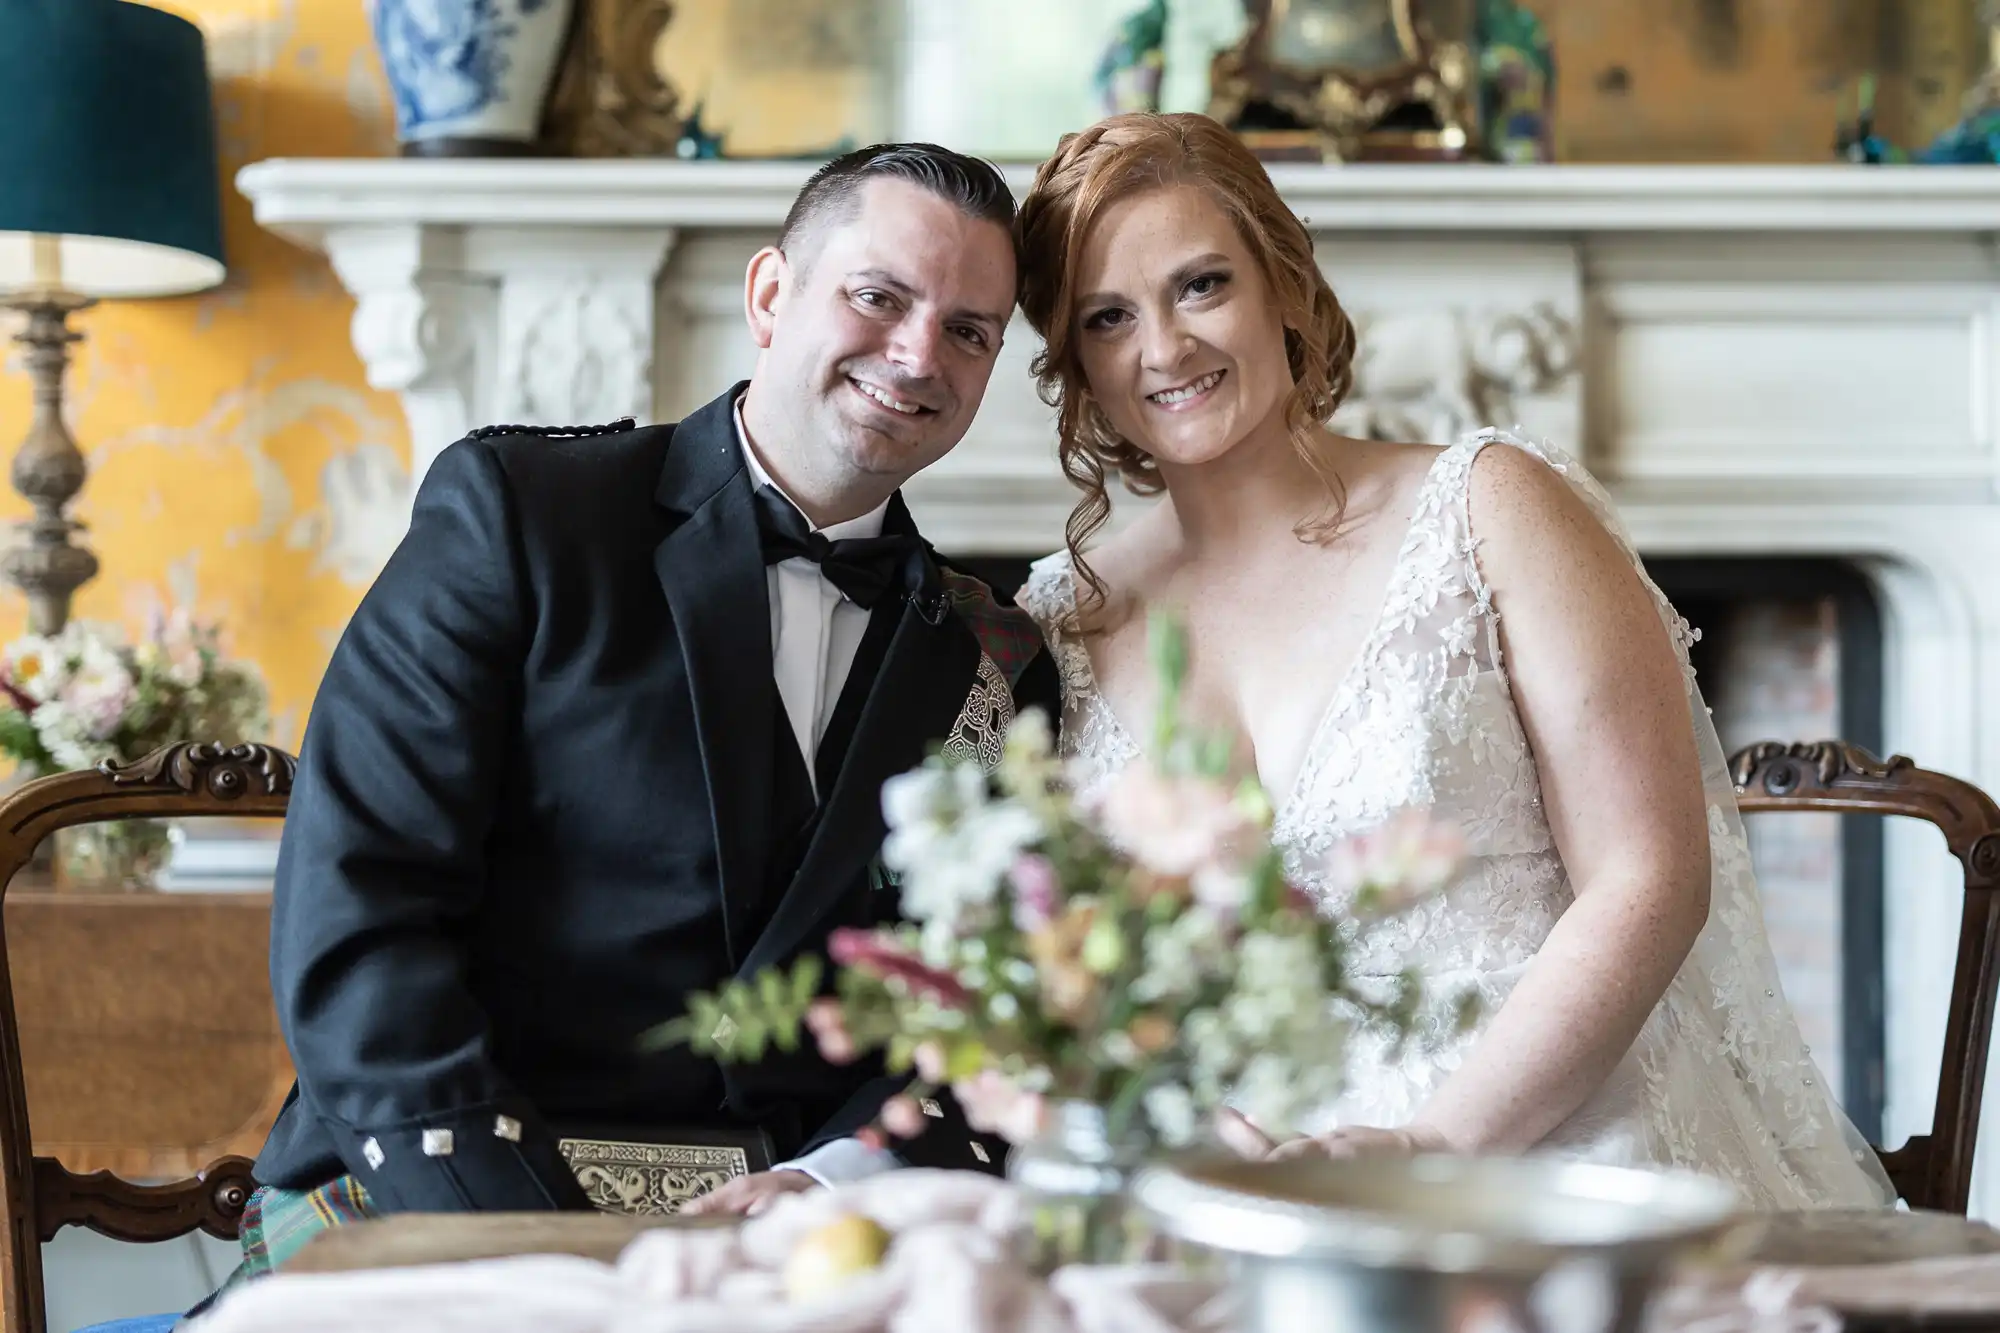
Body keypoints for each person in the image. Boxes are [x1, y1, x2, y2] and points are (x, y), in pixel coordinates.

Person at [205, 141, 1061, 1302]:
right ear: (772, 294)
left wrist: (834, 1185)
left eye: (969, 330)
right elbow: (362, 913)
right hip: (436, 1193)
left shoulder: (991, 659)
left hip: (789, 1240)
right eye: (878, 295)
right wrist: (537, 1255)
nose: (918, 355)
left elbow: (968, 1002)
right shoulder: (520, 519)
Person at [1010, 112, 1893, 1209]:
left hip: (1537, 1139)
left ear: (1283, 287)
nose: (1165, 348)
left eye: (1200, 285)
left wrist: (1431, 1148)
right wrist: (1174, 1118)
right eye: (1107, 317)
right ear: (1079, 368)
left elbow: (1646, 876)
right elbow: (1075, 978)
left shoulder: (1489, 506)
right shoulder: (1060, 616)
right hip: (1231, 1177)